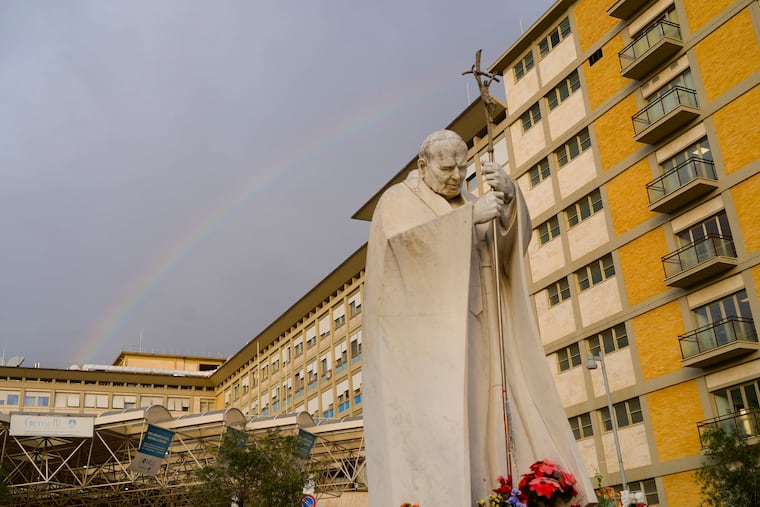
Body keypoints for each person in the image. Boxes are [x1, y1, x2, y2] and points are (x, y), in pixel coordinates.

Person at [363, 130, 595, 506]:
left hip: (483, 332)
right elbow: (398, 251)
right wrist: (467, 221)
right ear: (423, 167)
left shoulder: (473, 200)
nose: (456, 176)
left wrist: (510, 201)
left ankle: (495, 493)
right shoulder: (397, 201)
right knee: (451, 429)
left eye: (462, 167)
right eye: (446, 168)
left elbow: (507, 254)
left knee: (488, 429)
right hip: (431, 349)